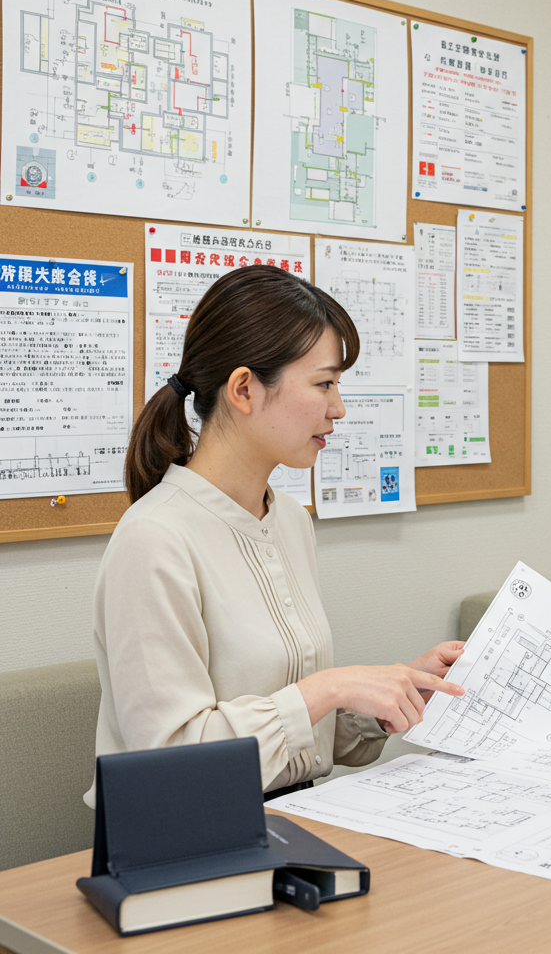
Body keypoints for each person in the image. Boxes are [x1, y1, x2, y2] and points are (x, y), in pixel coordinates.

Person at [85, 265, 464, 807]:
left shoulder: (287, 518)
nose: (338, 407)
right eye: (324, 383)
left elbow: (299, 739)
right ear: (244, 389)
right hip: (184, 839)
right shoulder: (153, 538)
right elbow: (168, 764)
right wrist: (326, 689)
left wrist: (389, 693)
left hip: (294, 814)